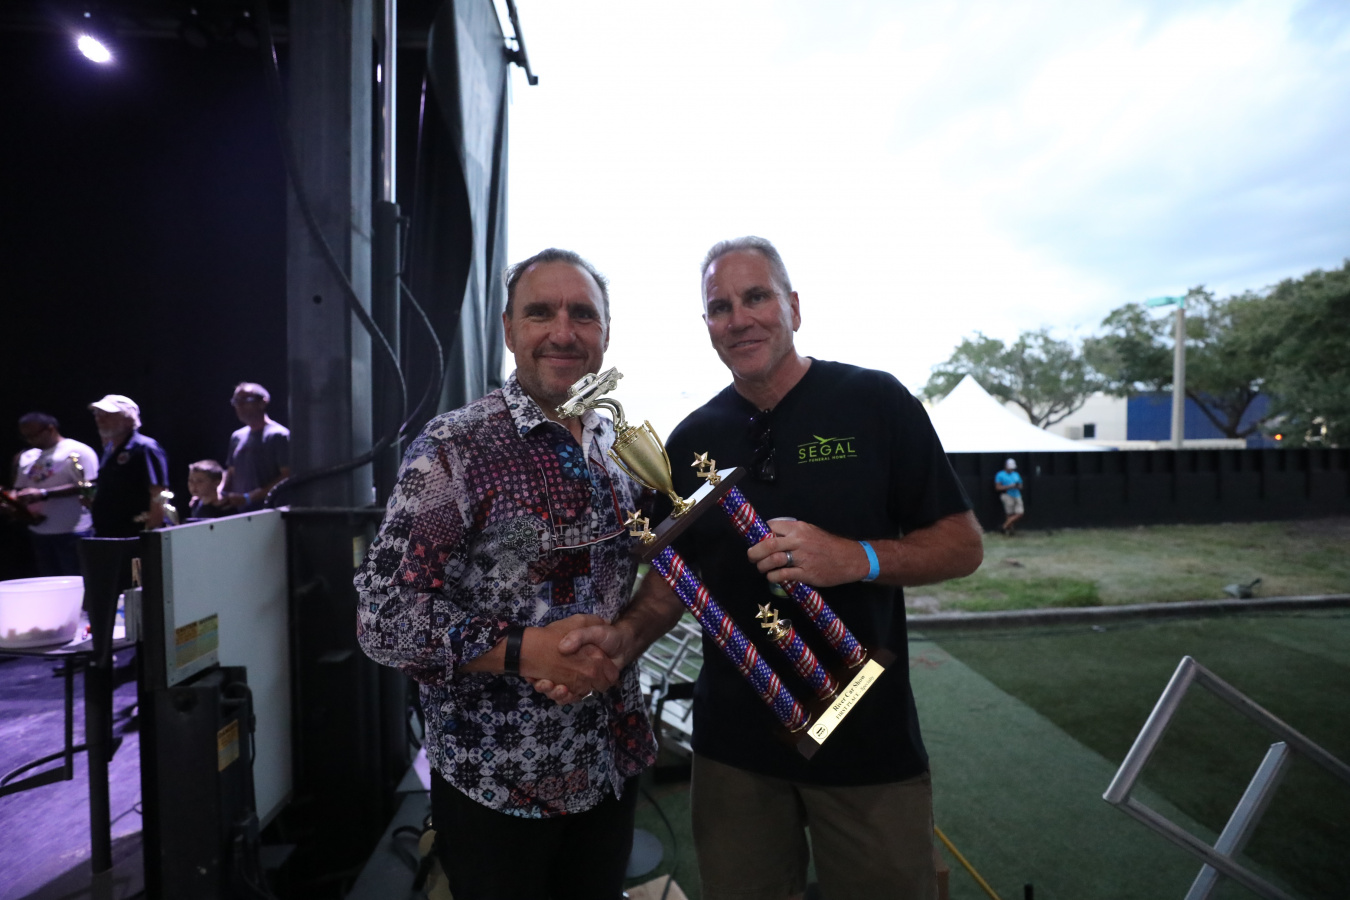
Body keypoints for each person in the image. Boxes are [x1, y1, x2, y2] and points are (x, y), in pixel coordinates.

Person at [554, 236, 983, 900]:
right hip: (735, 751)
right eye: (720, 307)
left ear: (794, 307)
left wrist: (857, 557)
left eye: (756, 297)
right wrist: (624, 637)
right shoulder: (691, 439)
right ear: (707, 326)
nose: (739, 319)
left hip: (865, 737)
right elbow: (674, 580)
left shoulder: (875, 401)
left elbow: (962, 545)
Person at [354, 248, 682, 900]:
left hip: (607, 763)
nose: (563, 331)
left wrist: (626, 638)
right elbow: (383, 617)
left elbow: (669, 555)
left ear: (605, 333)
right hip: (496, 784)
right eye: (540, 313)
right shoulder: (454, 449)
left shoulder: (618, 447)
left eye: (582, 314)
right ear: (508, 330)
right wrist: (527, 650)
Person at [7, 413, 99, 576]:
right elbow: (19, 488)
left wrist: (44, 493)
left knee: (76, 580)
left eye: (34, 435)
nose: (30, 440)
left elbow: (89, 486)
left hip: (73, 530)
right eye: (26, 437)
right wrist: (11, 501)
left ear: (50, 429)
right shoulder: (27, 456)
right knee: (49, 581)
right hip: (39, 531)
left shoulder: (78, 450)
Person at [88, 394, 171, 537]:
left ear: (128, 419)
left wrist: (151, 532)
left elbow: (159, 493)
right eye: (97, 414)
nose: (100, 419)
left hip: (133, 533)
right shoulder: (109, 449)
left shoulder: (145, 447)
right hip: (107, 531)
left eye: (107, 414)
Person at [220, 382, 290, 511]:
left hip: (270, 512)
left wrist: (249, 498)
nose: (239, 406)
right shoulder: (237, 436)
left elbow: (287, 475)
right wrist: (219, 493)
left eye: (245, 400)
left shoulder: (279, 435)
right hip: (242, 514)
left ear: (263, 402)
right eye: (236, 401)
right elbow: (231, 472)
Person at [994, 457, 1025, 535]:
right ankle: (1010, 530)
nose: (1011, 469)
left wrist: (1017, 486)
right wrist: (1010, 486)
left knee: (1020, 513)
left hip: (1017, 495)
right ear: (1006, 466)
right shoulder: (1000, 475)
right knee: (1009, 513)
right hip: (1007, 495)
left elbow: (1021, 485)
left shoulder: (1016, 474)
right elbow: (997, 487)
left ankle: (1004, 526)